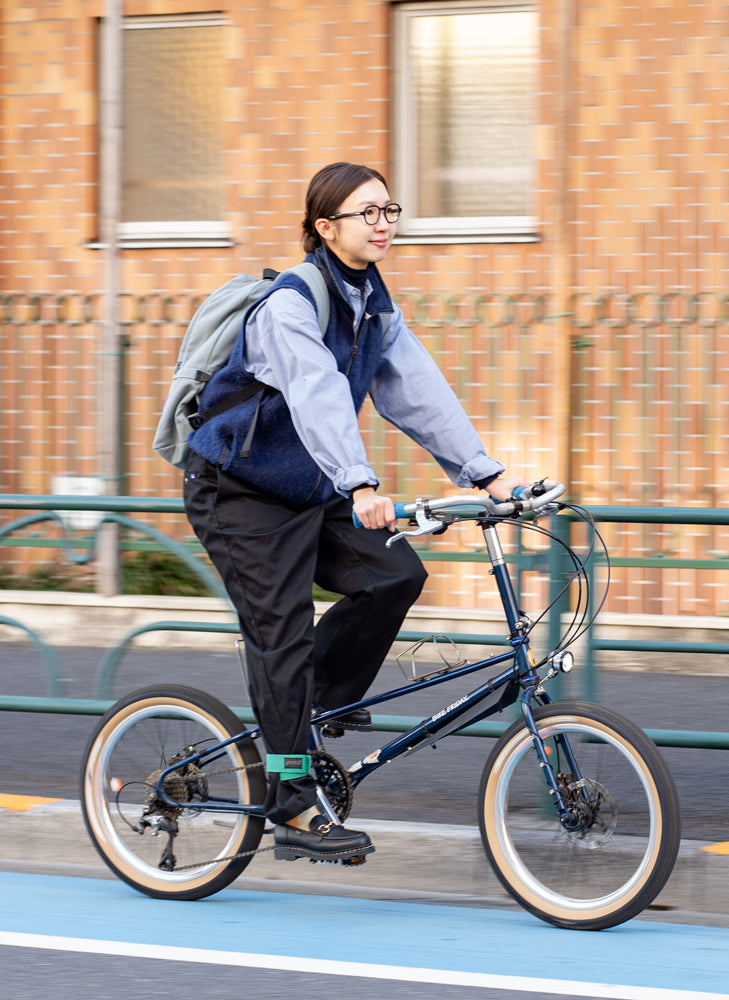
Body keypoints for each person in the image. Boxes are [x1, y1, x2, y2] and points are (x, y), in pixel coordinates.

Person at [182, 162, 518, 863]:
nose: (383, 222)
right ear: (324, 227)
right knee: (282, 635)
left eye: (388, 209)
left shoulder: (372, 301)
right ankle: (293, 802)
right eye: (366, 213)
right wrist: (361, 485)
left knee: (393, 576)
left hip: (311, 488)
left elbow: (416, 389)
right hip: (239, 490)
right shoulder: (291, 305)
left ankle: (308, 712)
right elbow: (317, 395)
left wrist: (486, 475)